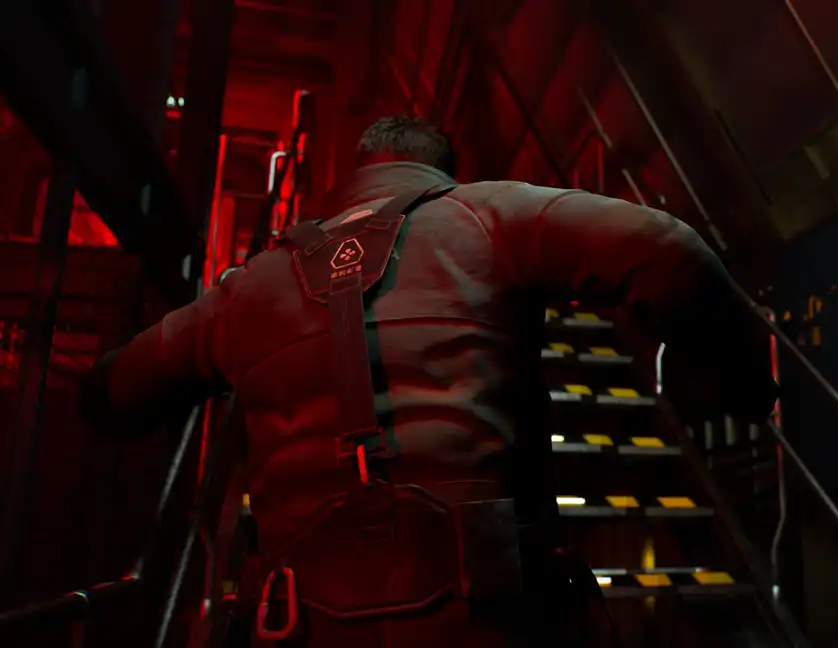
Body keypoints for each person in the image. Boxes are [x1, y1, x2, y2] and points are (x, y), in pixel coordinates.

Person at [79, 115, 778, 647]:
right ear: (442, 172)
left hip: (297, 622)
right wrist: (739, 392)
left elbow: (111, 390)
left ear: (353, 174)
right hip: (491, 611)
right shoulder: (489, 215)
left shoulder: (247, 288)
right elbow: (668, 251)